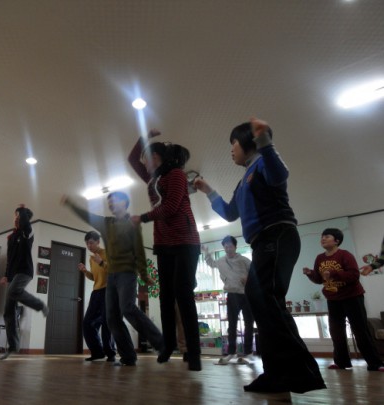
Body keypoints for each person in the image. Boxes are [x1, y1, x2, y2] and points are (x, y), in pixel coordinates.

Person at [194, 118, 325, 393]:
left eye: (233, 143)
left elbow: (279, 175)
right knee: (260, 302)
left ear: (248, 142)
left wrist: (265, 141)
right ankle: (276, 373)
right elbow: (230, 212)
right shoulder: (243, 180)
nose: (231, 150)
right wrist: (208, 191)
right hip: (262, 243)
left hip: (277, 235)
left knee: (268, 301)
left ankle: (301, 374)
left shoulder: (263, 163)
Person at [61, 191, 164, 366]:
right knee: (112, 318)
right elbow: (87, 215)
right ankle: (128, 356)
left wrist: (143, 273)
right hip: (112, 276)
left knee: (128, 308)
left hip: (127, 273)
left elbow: (139, 249)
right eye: (108, 202)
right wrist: (71, 204)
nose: (110, 204)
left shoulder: (132, 224)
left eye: (114, 201)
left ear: (124, 203)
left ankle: (161, 343)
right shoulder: (106, 223)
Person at [128, 129, 202, 371]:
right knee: (166, 297)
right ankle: (168, 346)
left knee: (183, 294)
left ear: (156, 157)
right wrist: (144, 136)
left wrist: (143, 217)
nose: (144, 162)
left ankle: (193, 352)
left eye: (147, 157)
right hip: (163, 244)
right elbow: (132, 159)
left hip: (185, 241)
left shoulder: (177, 175)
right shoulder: (153, 179)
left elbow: (170, 207)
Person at [303, 228, 384, 372]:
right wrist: (310, 274)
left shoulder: (345, 255)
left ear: (337, 241)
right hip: (333, 299)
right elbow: (319, 279)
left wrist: (333, 273)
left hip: (352, 297)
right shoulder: (320, 258)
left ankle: (375, 363)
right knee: (336, 332)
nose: (323, 239)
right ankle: (341, 362)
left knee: (360, 331)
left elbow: (354, 275)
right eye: (322, 236)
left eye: (327, 236)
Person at [0, 204, 49, 360]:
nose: (16, 219)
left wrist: (22, 210)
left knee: (13, 291)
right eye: (15, 216)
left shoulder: (28, 232)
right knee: (8, 310)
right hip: (13, 275)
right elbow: (10, 258)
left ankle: (40, 305)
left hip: (25, 272)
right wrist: (6, 275)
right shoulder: (11, 237)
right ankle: (13, 346)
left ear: (24, 219)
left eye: (18, 216)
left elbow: (26, 224)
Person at [204, 235, 254, 365]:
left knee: (249, 323)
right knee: (232, 325)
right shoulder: (221, 261)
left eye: (230, 246)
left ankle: (248, 353)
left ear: (235, 247)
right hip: (232, 295)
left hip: (247, 294)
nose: (228, 249)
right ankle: (231, 353)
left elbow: (255, 272)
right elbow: (211, 263)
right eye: (226, 247)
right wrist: (206, 253)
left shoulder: (244, 260)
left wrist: (248, 279)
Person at [78, 231, 116, 362]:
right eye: (87, 244)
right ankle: (97, 352)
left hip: (109, 291)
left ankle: (110, 353)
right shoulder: (91, 258)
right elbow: (94, 277)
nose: (89, 246)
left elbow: (113, 271)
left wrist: (101, 262)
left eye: (91, 243)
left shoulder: (107, 254)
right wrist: (85, 271)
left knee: (106, 323)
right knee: (87, 323)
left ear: (98, 242)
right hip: (96, 292)